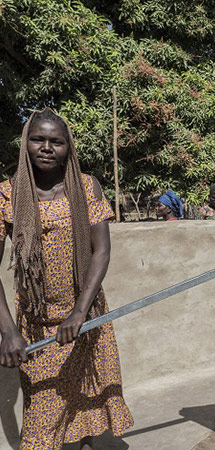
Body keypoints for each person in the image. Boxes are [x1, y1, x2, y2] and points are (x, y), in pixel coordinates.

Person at [0, 108, 133, 450]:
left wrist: (78, 313)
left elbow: (101, 251)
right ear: (25, 144)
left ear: (67, 147)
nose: (47, 147)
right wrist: (9, 332)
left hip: (86, 316)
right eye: (38, 139)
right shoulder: (6, 195)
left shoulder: (87, 187)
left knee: (86, 399)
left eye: (56, 141)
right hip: (37, 323)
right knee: (41, 424)